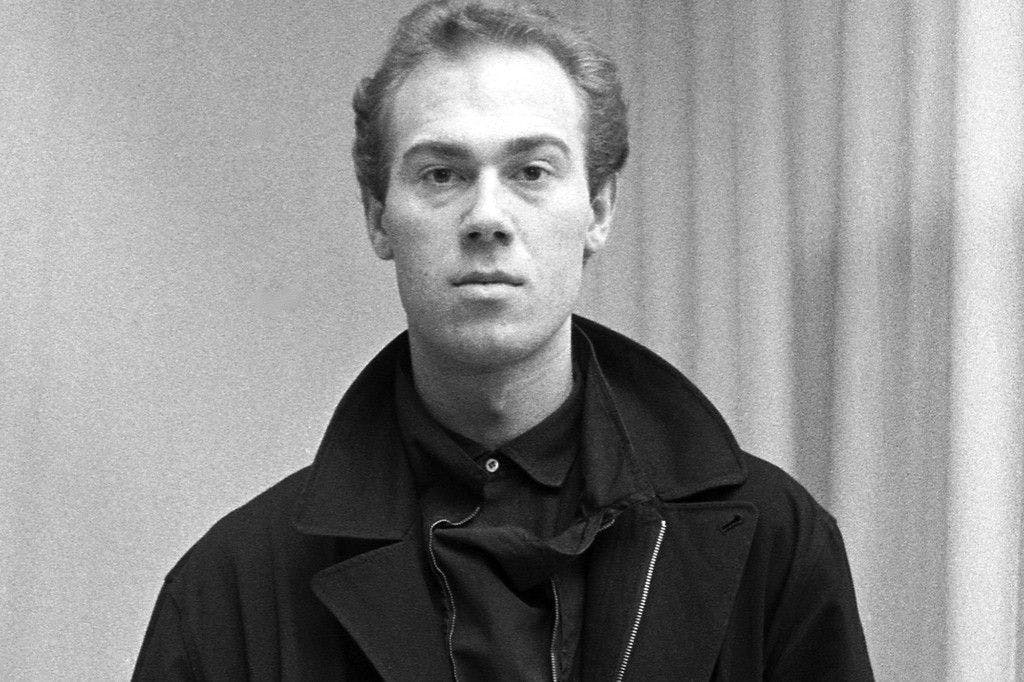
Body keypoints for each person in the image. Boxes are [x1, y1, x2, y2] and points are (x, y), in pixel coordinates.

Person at [133, 1, 873, 679]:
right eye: (441, 174)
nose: (487, 216)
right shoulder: (229, 592)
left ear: (599, 209)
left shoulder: (775, 546)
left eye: (531, 171)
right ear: (377, 216)